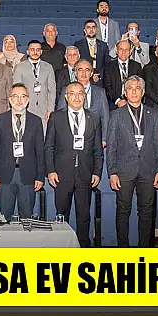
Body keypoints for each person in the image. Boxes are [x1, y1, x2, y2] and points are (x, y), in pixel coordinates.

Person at [107, 75, 158, 247]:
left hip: (148, 169)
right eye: (130, 88)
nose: (133, 92)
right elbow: (111, 147)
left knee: (146, 212)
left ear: (143, 91)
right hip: (124, 171)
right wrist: (112, 172)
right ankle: (123, 250)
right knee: (123, 212)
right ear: (125, 92)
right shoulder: (116, 115)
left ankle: (143, 250)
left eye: (137, 88)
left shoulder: (153, 114)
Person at [46, 81, 103, 247]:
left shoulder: (94, 117)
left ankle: (83, 249)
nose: (77, 97)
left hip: (85, 175)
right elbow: (49, 147)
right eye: (72, 93)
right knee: (61, 215)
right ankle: (60, 250)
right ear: (66, 97)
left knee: (84, 216)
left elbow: (97, 149)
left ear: (85, 97)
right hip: (61, 174)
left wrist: (97, 172)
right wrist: (50, 170)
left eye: (80, 93)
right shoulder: (56, 117)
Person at [0, 83, 45, 220]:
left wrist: (40, 176)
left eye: (23, 96)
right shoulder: (0, 120)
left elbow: (40, 151)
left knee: (27, 219)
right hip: (4, 175)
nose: (19, 100)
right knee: (4, 219)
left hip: (28, 175)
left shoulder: (36, 121)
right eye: (15, 96)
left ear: (28, 99)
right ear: (10, 99)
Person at [57, 60, 109, 147]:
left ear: (91, 73)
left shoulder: (100, 92)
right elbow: (60, 115)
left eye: (87, 70)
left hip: (94, 139)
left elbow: (105, 117)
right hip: (71, 138)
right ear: (75, 73)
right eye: (80, 69)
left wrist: (104, 139)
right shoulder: (66, 90)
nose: (84, 73)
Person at [13, 40, 56, 133]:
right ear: (28, 52)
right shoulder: (20, 67)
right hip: (26, 109)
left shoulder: (48, 67)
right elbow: (16, 90)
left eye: (38, 50)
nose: (35, 52)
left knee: (43, 136)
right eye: (32, 49)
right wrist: (19, 109)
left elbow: (52, 90)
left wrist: (50, 109)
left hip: (44, 110)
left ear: (41, 52)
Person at [104, 39, 142, 110]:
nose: (124, 52)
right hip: (114, 104)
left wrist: (130, 101)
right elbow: (107, 88)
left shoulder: (137, 66)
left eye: (126, 50)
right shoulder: (109, 67)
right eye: (121, 49)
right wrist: (118, 101)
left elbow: (139, 87)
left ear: (130, 52)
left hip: (133, 103)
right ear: (116, 51)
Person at [74, 19, 108, 85]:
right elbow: (77, 64)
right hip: (84, 79)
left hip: (99, 81)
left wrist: (99, 75)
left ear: (96, 30)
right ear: (84, 31)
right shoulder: (78, 45)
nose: (91, 30)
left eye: (93, 27)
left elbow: (107, 63)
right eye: (88, 27)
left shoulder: (103, 45)